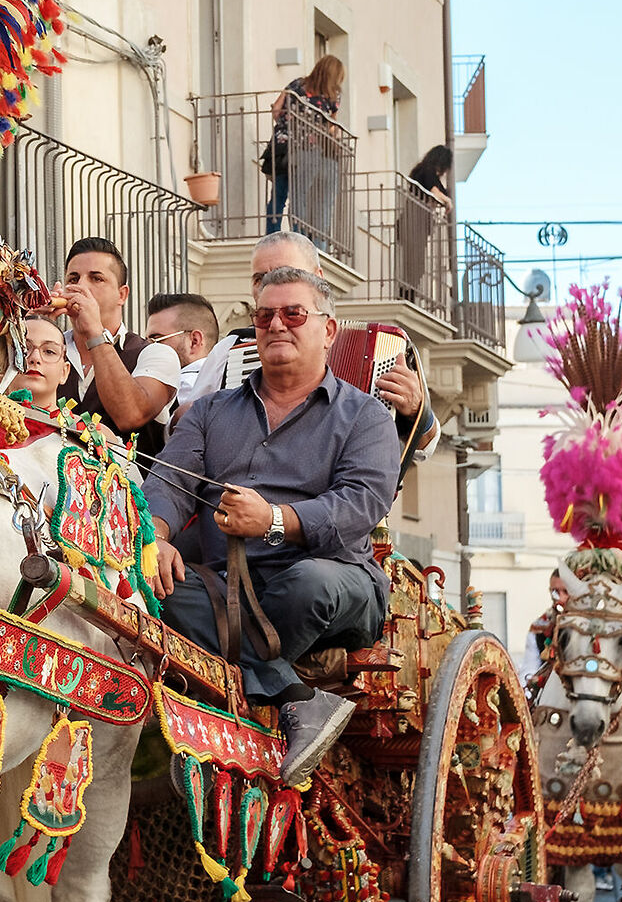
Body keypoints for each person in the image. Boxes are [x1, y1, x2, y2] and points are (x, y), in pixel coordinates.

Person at [145, 265, 400, 787]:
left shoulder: (365, 416)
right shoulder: (209, 412)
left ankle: (226, 706)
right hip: (226, 586)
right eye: (264, 316)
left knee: (308, 585)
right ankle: (294, 698)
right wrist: (155, 538)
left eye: (293, 313)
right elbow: (167, 484)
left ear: (327, 330)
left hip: (334, 579)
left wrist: (274, 522)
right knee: (153, 586)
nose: (277, 325)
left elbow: (359, 505)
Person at [193, 231, 437, 470]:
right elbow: (189, 433)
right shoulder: (232, 350)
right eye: (259, 278)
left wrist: (417, 410)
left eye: (285, 273)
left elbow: (424, 449)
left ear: (319, 278)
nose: (270, 284)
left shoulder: (381, 348)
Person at [52, 239, 178, 464]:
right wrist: (35, 328)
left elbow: (130, 415)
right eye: (74, 278)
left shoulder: (156, 354)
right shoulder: (48, 349)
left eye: (96, 278)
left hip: (134, 495)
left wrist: (94, 332)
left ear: (122, 295)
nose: (81, 287)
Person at [265, 53, 345, 243]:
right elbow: (332, 126)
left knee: (278, 194)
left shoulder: (296, 84)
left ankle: (272, 236)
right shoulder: (331, 94)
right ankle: (299, 237)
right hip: (307, 151)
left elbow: (276, 110)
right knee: (301, 195)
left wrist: (287, 125)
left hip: (282, 146)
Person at [145, 292, 221, 421]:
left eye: (156, 340)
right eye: (146, 341)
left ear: (194, 341)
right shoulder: (223, 379)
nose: (147, 348)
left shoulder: (184, 385)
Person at [399, 144, 453, 306]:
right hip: (414, 222)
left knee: (414, 263)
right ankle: (406, 295)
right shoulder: (427, 172)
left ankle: (407, 294)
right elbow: (434, 191)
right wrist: (447, 201)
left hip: (415, 223)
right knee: (415, 263)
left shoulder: (421, 171)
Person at [522, 570, 571, 687]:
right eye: (555, 591)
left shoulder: (588, 626)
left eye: (566, 591)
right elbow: (530, 666)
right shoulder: (539, 627)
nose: (560, 598)